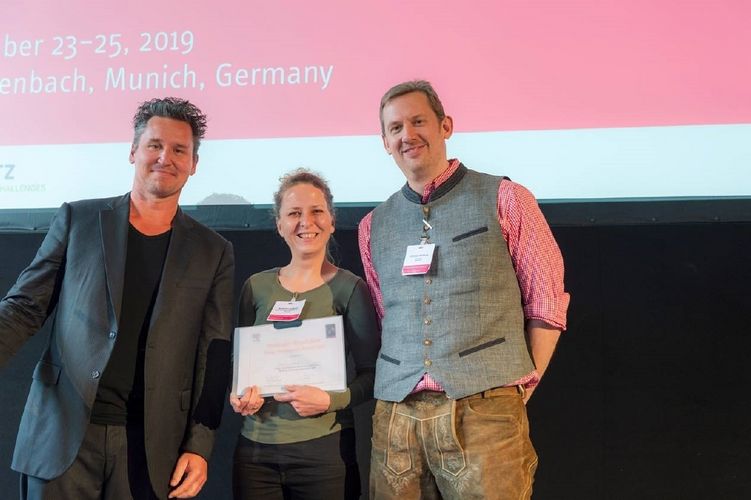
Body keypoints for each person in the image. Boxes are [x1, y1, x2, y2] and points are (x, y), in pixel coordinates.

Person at [0, 97, 235, 499]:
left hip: (151, 447)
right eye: (154, 145)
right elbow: (24, 307)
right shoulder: (79, 220)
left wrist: (200, 444)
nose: (166, 157)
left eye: (180, 150)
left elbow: (213, 353)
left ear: (194, 164)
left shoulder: (213, 251)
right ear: (133, 152)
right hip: (62, 434)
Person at [358, 80, 570, 499]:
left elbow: (546, 301)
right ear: (384, 142)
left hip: (486, 411)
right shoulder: (373, 225)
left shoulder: (506, 198)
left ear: (445, 125)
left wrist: (519, 388)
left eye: (418, 121)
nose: (407, 135)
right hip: (396, 419)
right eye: (396, 127)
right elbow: (387, 313)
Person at [230, 169, 379, 500]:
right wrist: (238, 393)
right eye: (294, 213)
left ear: (331, 220)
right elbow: (239, 362)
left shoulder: (350, 288)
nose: (305, 222)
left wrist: (331, 400)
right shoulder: (256, 287)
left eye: (316, 212)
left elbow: (374, 374)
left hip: (323, 455)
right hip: (255, 454)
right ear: (280, 224)